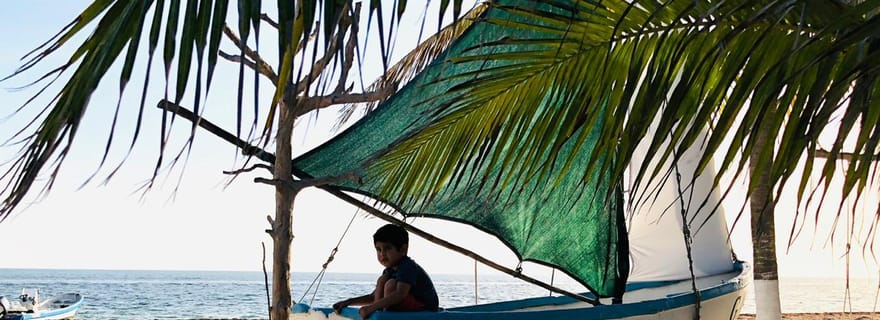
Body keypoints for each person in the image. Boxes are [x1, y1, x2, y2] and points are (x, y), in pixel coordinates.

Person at [333, 223, 439, 318]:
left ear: (403, 250)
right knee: (382, 280)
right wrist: (347, 302)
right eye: (378, 249)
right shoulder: (389, 271)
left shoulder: (408, 266)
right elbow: (373, 297)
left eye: (387, 248)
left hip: (426, 307)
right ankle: (380, 313)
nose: (382, 254)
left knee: (390, 284)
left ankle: (384, 315)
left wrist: (371, 308)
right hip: (407, 305)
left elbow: (400, 294)